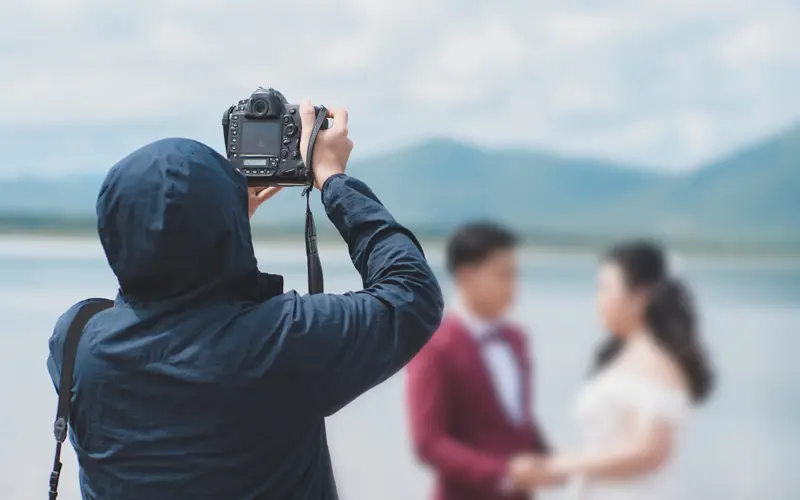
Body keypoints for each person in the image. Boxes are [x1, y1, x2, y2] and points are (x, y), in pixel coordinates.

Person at [45, 102, 444, 499]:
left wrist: (208, 225)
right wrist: (333, 179)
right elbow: (411, 294)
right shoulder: (283, 341)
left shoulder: (76, 342)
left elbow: (152, 306)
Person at [533, 240, 715, 499]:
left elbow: (651, 451)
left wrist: (561, 466)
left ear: (639, 297)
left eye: (604, 289)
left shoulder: (657, 361)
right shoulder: (626, 353)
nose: (598, 300)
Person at [406, 222, 551, 500]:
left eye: (515, 275)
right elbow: (428, 442)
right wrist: (503, 471)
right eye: (503, 275)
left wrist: (553, 462)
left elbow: (517, 419)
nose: (513, 286)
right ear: (466, 276)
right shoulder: (436, 347)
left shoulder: (516, 339)